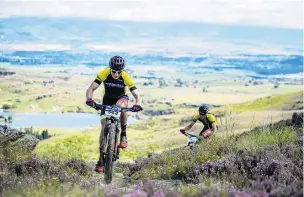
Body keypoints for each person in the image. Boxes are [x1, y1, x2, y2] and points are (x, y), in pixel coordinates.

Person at [85, 55, 142, 173]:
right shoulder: (104, 73)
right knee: (103, 127)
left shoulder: (125, 76)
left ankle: (124, 134)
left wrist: (138, 103)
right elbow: (91, 88)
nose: (116, 74)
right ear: (110, 68)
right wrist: (89, 99)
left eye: (119, 72)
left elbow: (137, 94)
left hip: (121, 98)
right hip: (107, 100)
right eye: (114, 71)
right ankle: (101, 159)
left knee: (122, 107)